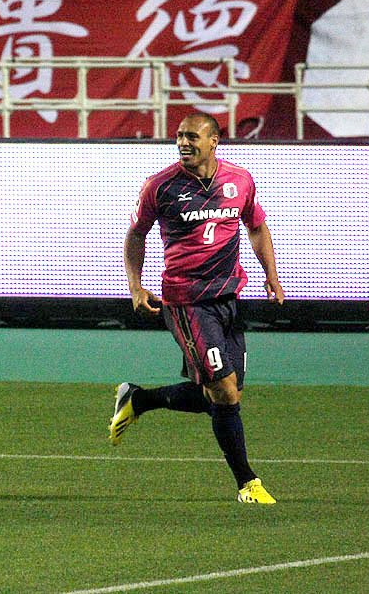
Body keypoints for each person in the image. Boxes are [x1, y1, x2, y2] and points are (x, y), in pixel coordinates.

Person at [110, 111, 284, 504]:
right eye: (179, 136)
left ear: (213, 141)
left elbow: (256, 227)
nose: (183, 143)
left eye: (192, 136)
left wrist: (271, 275)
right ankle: (248, 484)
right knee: (224, 392)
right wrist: (135, 287)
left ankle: (139, 400)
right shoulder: (160, 185)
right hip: (186, 301)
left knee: (223, 395)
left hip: (229, 297)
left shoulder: (240, 180)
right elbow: (136, 234)